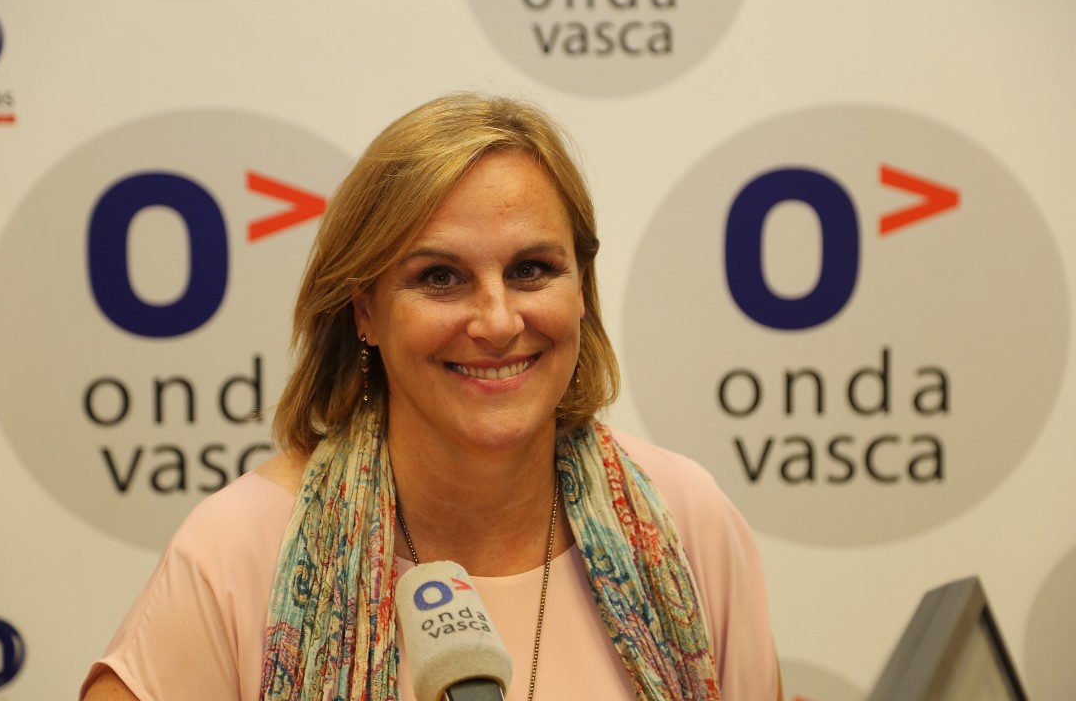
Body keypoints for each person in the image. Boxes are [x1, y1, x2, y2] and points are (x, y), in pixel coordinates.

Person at [81, 93, 782, 701]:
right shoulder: (240, 551)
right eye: (440, 277)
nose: (498, 322)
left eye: (532, 269)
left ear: (581, 291)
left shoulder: (685, 519)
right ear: (365, 311)